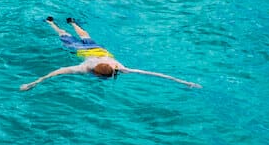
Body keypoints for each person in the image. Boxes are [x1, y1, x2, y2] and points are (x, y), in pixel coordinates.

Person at [19, 17, 201, 91]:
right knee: (71, 37)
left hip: (97, 51)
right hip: (88, 52)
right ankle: (58, 23)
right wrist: (34, 83)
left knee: (79, 36)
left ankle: (61, 23)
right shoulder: (89, 67)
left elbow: (58, 71)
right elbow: (155, 75)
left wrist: (33, 83)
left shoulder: (114, 67)